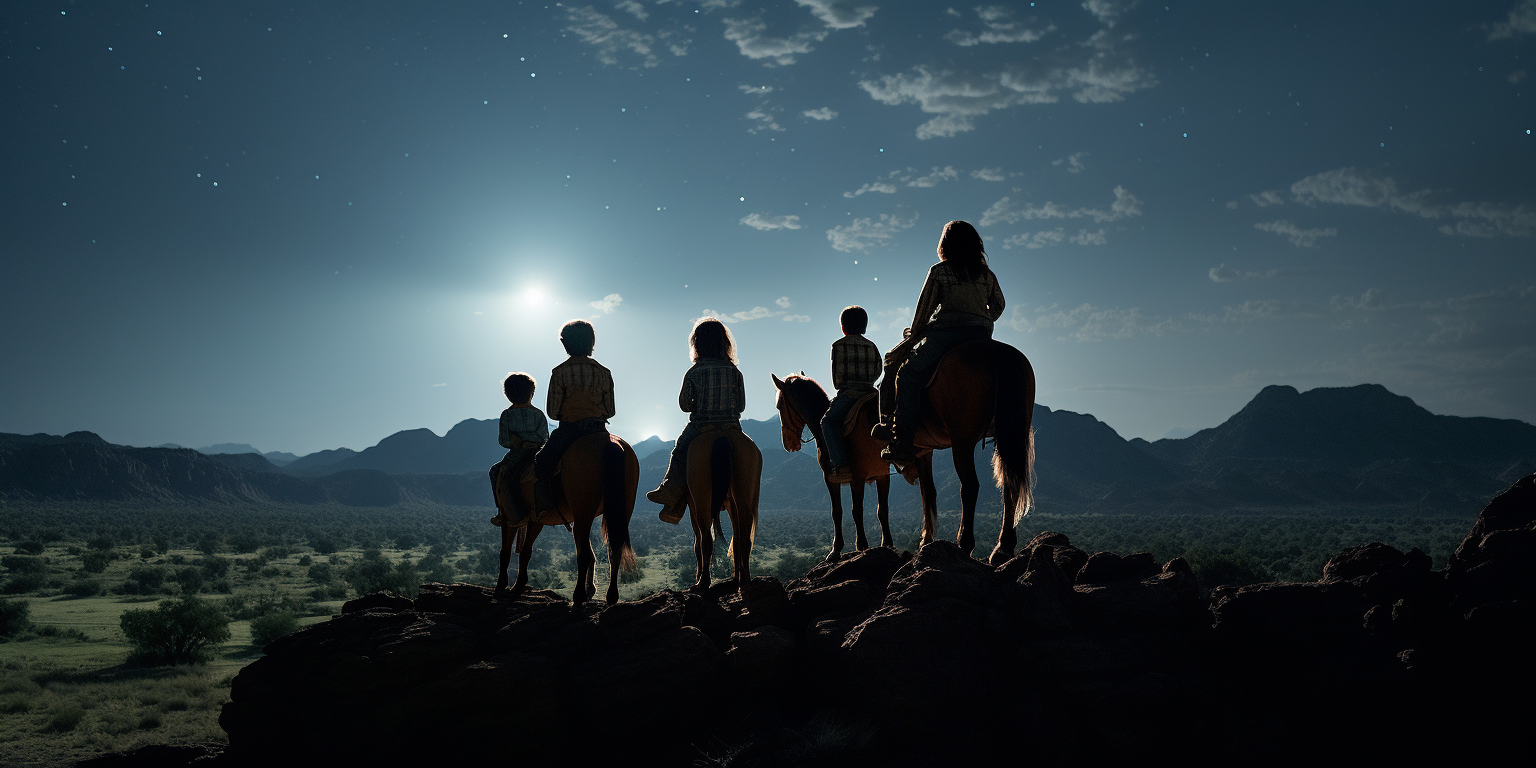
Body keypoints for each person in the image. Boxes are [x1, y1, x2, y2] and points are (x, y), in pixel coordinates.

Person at [878, 220, 1005, 464]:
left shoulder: (939, 271)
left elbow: (923, 312)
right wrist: (982, 319)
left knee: (907, 374)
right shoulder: (986, 275)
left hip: (947, 333)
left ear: (945, 244)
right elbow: (999, 305)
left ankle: (902, 442)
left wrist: (913, 335)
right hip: (980, 334)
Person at [647, 317, 745, 524]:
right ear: (724, 343)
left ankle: (670, 495)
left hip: (702, 427)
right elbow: (741, 405)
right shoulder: (735, 372)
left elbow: (684, 405)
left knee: (680, 449)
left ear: (697, 344)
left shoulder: (694, 372)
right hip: (732, 427)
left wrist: (698, 405)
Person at [532, 320, 615, 511]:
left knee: (541, 463)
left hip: (569, 431)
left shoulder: (559, 372)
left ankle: (546, 505)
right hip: (598, 430)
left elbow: (553, 412)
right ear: (591, 342)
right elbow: (610, 411)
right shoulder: (604, 372)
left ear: (565, 344)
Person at [819, 306, 881, 484]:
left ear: (843, 327)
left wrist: (843, 386)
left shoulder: (838, 346)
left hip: (850, 394)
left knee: (828, 422)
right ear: (864, 326)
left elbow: (837, 377)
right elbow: (878, 371)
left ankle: (841, 465)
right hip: (872, 393)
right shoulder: (872, 346)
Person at [489, 372, 548, 527]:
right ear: (531, 393)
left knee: (496, 472)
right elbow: (544, 438)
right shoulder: (539, 414)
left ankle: (502, 512)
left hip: (516, 455)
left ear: (508, 394)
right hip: (538, 454)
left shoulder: (507, 415)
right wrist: (531, 440)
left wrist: (518, 441)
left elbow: (503, 440)